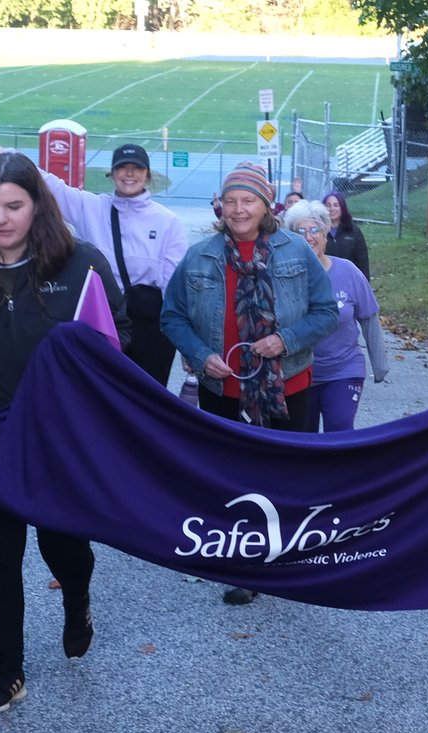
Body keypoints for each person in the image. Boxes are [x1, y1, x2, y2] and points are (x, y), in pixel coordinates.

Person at [0, 151, 129, 714]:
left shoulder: (80, 264)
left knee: (63, 545)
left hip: (60, 437)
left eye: (13, 205)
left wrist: (84, 409)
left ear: (38, 205)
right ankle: (8, 671)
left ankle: (77, 598)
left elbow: (116, 338)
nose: (1, 219)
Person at [161, 161, 338, 605]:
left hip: (287, 384)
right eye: (231, 201)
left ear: (266, 206)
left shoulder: (296, 252)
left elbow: (326, 312)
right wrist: (201, 355)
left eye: (248, 200)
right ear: (220, 205)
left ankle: (288, 553)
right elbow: (172, 316)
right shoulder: (200, 256)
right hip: (221, 389)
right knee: (231, 474)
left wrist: (285, 340)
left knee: (287, 471)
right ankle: (246, 561)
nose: (239, 209)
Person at [0, 134, 187, 386]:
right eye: (122, 168)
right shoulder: (90, 206)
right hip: (106, 319)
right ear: (112, 174)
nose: (129, 174)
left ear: (147, 175)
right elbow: (45, 181)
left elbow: (174, 287)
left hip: (150, 327)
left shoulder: (167, 221)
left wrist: (184, 342)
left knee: (148, 396)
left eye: (136, 168)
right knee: (103, 393)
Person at [283, 200, 388, 432]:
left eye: (315, 230)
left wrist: (379, 364)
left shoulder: (348, 271)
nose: (309, 237)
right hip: (299, 373)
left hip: (344, 369)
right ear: (291, 238)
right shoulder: (284, 277)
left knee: (340, 427)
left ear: (325, 235)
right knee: (303, 438)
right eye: (300, 231)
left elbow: (369, 317)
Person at [322, 192, 369, 280]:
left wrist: (365, 283)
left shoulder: (353, 231)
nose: (332, 209)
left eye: (336, 205)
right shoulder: (318, 231)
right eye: (328, 205)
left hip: (348, 278)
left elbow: (362, 261)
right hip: (324, 279)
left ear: (342, 208)